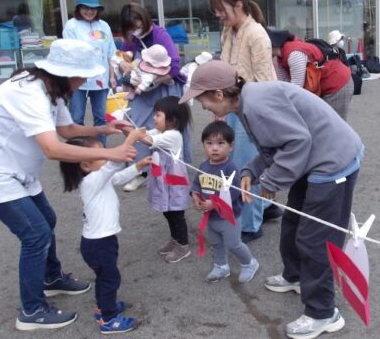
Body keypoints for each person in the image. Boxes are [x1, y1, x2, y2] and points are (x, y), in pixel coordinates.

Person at [0, 38, 137, 331]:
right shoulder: (29, 93)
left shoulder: (52, 90)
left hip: (17, 170)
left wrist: (103, 129)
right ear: (64, 74)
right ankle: (32, 311)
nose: (82, 82)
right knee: (35, 235)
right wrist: (110, 153)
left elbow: (66, 129)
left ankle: (51, 277)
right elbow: (52, 148)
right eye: (80, 76)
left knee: (47, 219)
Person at [180, 60, 364, 339]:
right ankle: (296, 276)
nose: (202, 106)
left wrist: (270, 181)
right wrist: (251, 170)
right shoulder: (246, 103)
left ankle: (323, 313)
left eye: (202, 98)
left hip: (333, 161)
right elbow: (274, 145)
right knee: (292, 222)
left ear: (218, 94)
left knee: (316, 239)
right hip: (314, 158)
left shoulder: (256, 105)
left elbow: (297, 142)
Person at [59, 128, 151, 334]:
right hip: (99, 244)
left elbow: (118, 177)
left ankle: (103, 307)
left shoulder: (98, 178)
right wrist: (130, 139)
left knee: (105, 277)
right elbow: (115, 164)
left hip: (99, 242)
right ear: (85, 165)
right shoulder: (91, 181)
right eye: (101, 153)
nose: (108, 154)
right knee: (110, 279)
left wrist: (138, 166)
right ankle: (109, 320)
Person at [209, 0, 280, 243]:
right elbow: (225, 68)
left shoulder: (256, 34)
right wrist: (219, 104)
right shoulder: (229, 29)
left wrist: (257, 116)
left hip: (251, 107)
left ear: (238, 5)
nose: (218, 14)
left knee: (245, 165)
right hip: (232, 104)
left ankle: (250, 224)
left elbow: (265, 82)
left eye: (221, 9)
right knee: (237, 160)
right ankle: (266, 207)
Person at [118, 2, 191, 192]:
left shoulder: (159, 34)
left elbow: (175, 66)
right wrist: (122, 65)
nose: (136, 29)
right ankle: (140, 171)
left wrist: (154, 81)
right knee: (135, 123)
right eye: (131, 27)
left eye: (138, 24)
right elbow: (123, 56)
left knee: (170, 126)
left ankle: (175, 169)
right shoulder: (130, 37)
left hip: (164, 86)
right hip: (140, 90)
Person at [190, 121, 259, 283]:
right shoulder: (203, 165)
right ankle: (221, 266)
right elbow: (196, 183)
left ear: (231, 146)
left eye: (220, 143)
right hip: (211, 216)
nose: (214, 148)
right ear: (203, 145)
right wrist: (195, 196)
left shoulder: (231, 168)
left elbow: (234, 193)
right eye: (209, 143)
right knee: (216, 242)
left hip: (229, 217)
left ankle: (249, 263)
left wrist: (214, 204)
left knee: (234, 244)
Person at [132, 96, 193, 263]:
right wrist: (129, 130)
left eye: (158, 115)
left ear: (173, 120)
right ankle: (175, 239)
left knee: (176, 213)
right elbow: (144, 135)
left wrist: (133, 134)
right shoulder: (161, 131)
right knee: (167, 211)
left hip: (173, 181)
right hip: (164, 179)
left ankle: (183, 245)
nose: (154, 118)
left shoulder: (173, 135)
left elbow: (146, 140)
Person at [63, 0, 117, 146]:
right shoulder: (71, 25)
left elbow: (110, 53)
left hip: (101, 79)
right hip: (77, 80)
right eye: (85, 8)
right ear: (78, 8)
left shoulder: (104, 25)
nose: (89, 11)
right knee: (77, 117)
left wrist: (112, 77)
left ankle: (100, 150)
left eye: (93, 8)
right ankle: (78, 151)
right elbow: (71, 52)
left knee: (100, 117)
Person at [267, 28, 354, 120]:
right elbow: (284, 85)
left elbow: (295, 90)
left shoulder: (294, 54)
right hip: (325, 85)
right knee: (321, 122)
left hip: (337, 83)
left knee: (333, 123)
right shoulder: (280, 57)